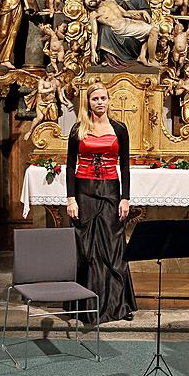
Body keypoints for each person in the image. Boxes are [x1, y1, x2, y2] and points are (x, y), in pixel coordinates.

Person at [66, 82, 137, 323]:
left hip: (110, 191)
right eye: (95, 98)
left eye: (103, 98)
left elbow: (125, 166)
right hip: (84, 192)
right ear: (88, 102)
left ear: (109, 101)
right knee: (86, 249)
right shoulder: (78, 129)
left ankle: (118, 305)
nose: (99, 102)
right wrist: (71, 198)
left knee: (113, 246)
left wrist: (125, 198)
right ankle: (84, 306)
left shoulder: (119, 129)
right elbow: (70, 166)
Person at [85, 0, 160, 68]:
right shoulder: (94, 14)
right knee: (154, 31)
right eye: (90, 2)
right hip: (121, 28)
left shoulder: (111, 1)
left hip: (128, 22)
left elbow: (125, 13)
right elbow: (94, 34)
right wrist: (93, 51)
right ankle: (151, 60)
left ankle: (142, 56)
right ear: (90, 7)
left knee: (153, 27)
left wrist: (142, 11)